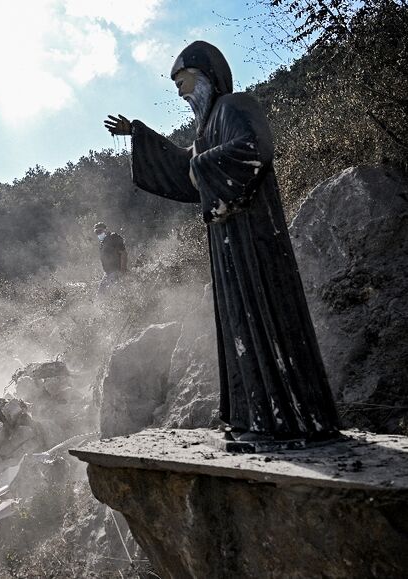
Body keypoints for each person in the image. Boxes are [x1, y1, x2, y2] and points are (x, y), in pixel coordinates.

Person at [104, 41, 340, 443]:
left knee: (267, 317)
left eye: (183, 81)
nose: (180, 92)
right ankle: (256, 418)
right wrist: (138, 134)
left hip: (256, 237)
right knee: (240, 324)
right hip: (229, 243)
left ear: (207, 75)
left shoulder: (235, 106)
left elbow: (254, 148)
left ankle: (293, 420)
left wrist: (200, 168)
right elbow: (183, 168)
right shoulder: (207, 127)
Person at [94, 222, 127, 293]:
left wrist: (122, 270)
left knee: (113, 292)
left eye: (100, 231)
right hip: (107, 273)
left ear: (105, 230)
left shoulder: (113, 237)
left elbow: (123, 253)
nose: (99, 233)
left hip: (116, 271)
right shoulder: (103, 243)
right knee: (100, 293)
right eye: (96, 232)